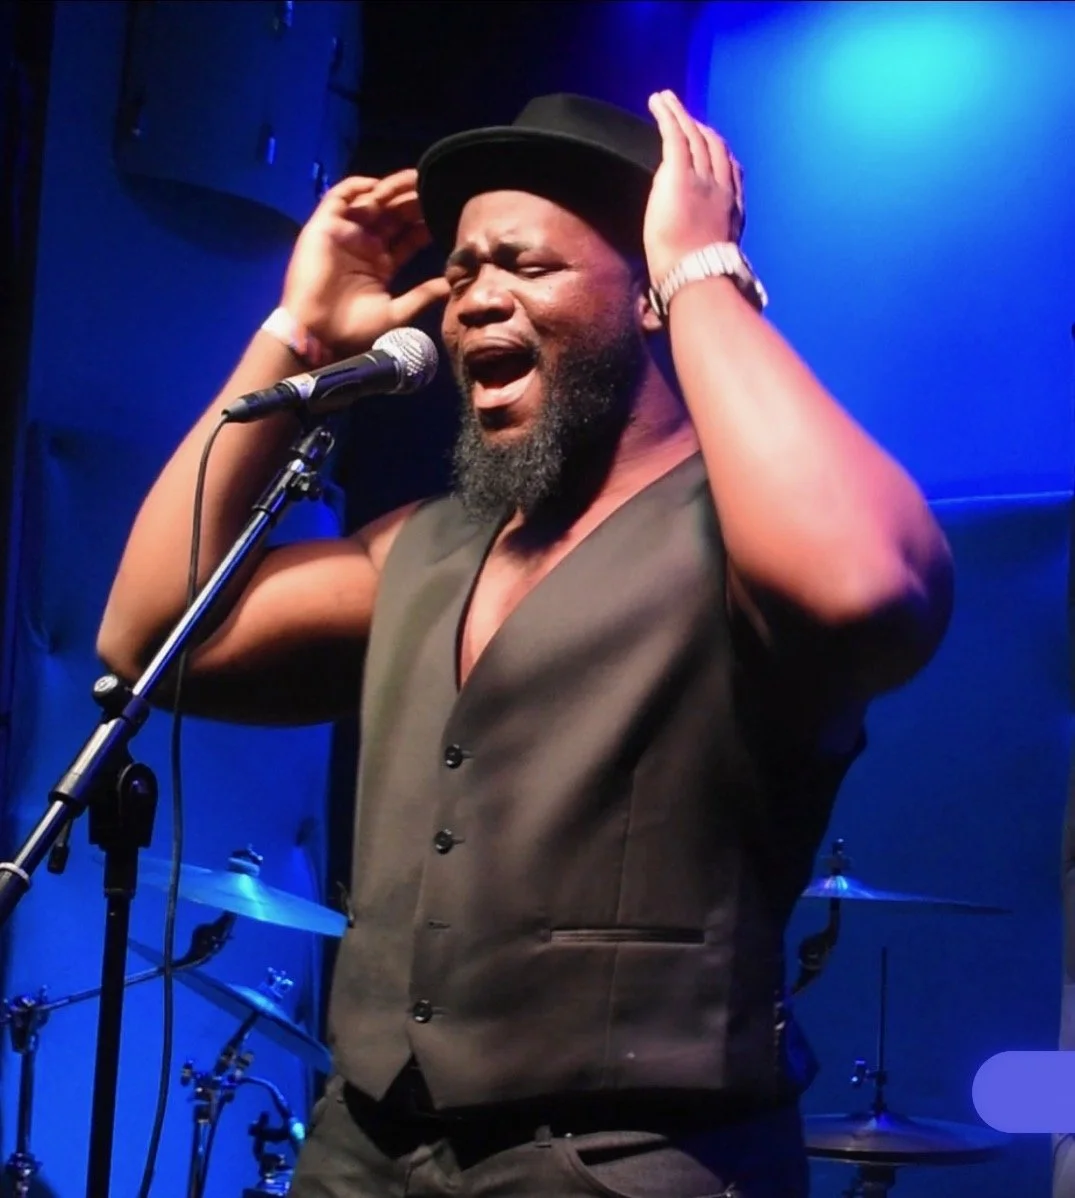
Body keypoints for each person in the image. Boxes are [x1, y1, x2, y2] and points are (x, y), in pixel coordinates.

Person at [97, 91, 954, 1197]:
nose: (472, 301)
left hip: (633, 1165)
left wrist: (700, 272)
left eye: (525, 266)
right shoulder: (417, 543)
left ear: (644, 288)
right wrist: (296, 335)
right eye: (457, 273)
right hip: (359, 1151)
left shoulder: (750, 537)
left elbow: (867, 587)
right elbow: (145, 635)